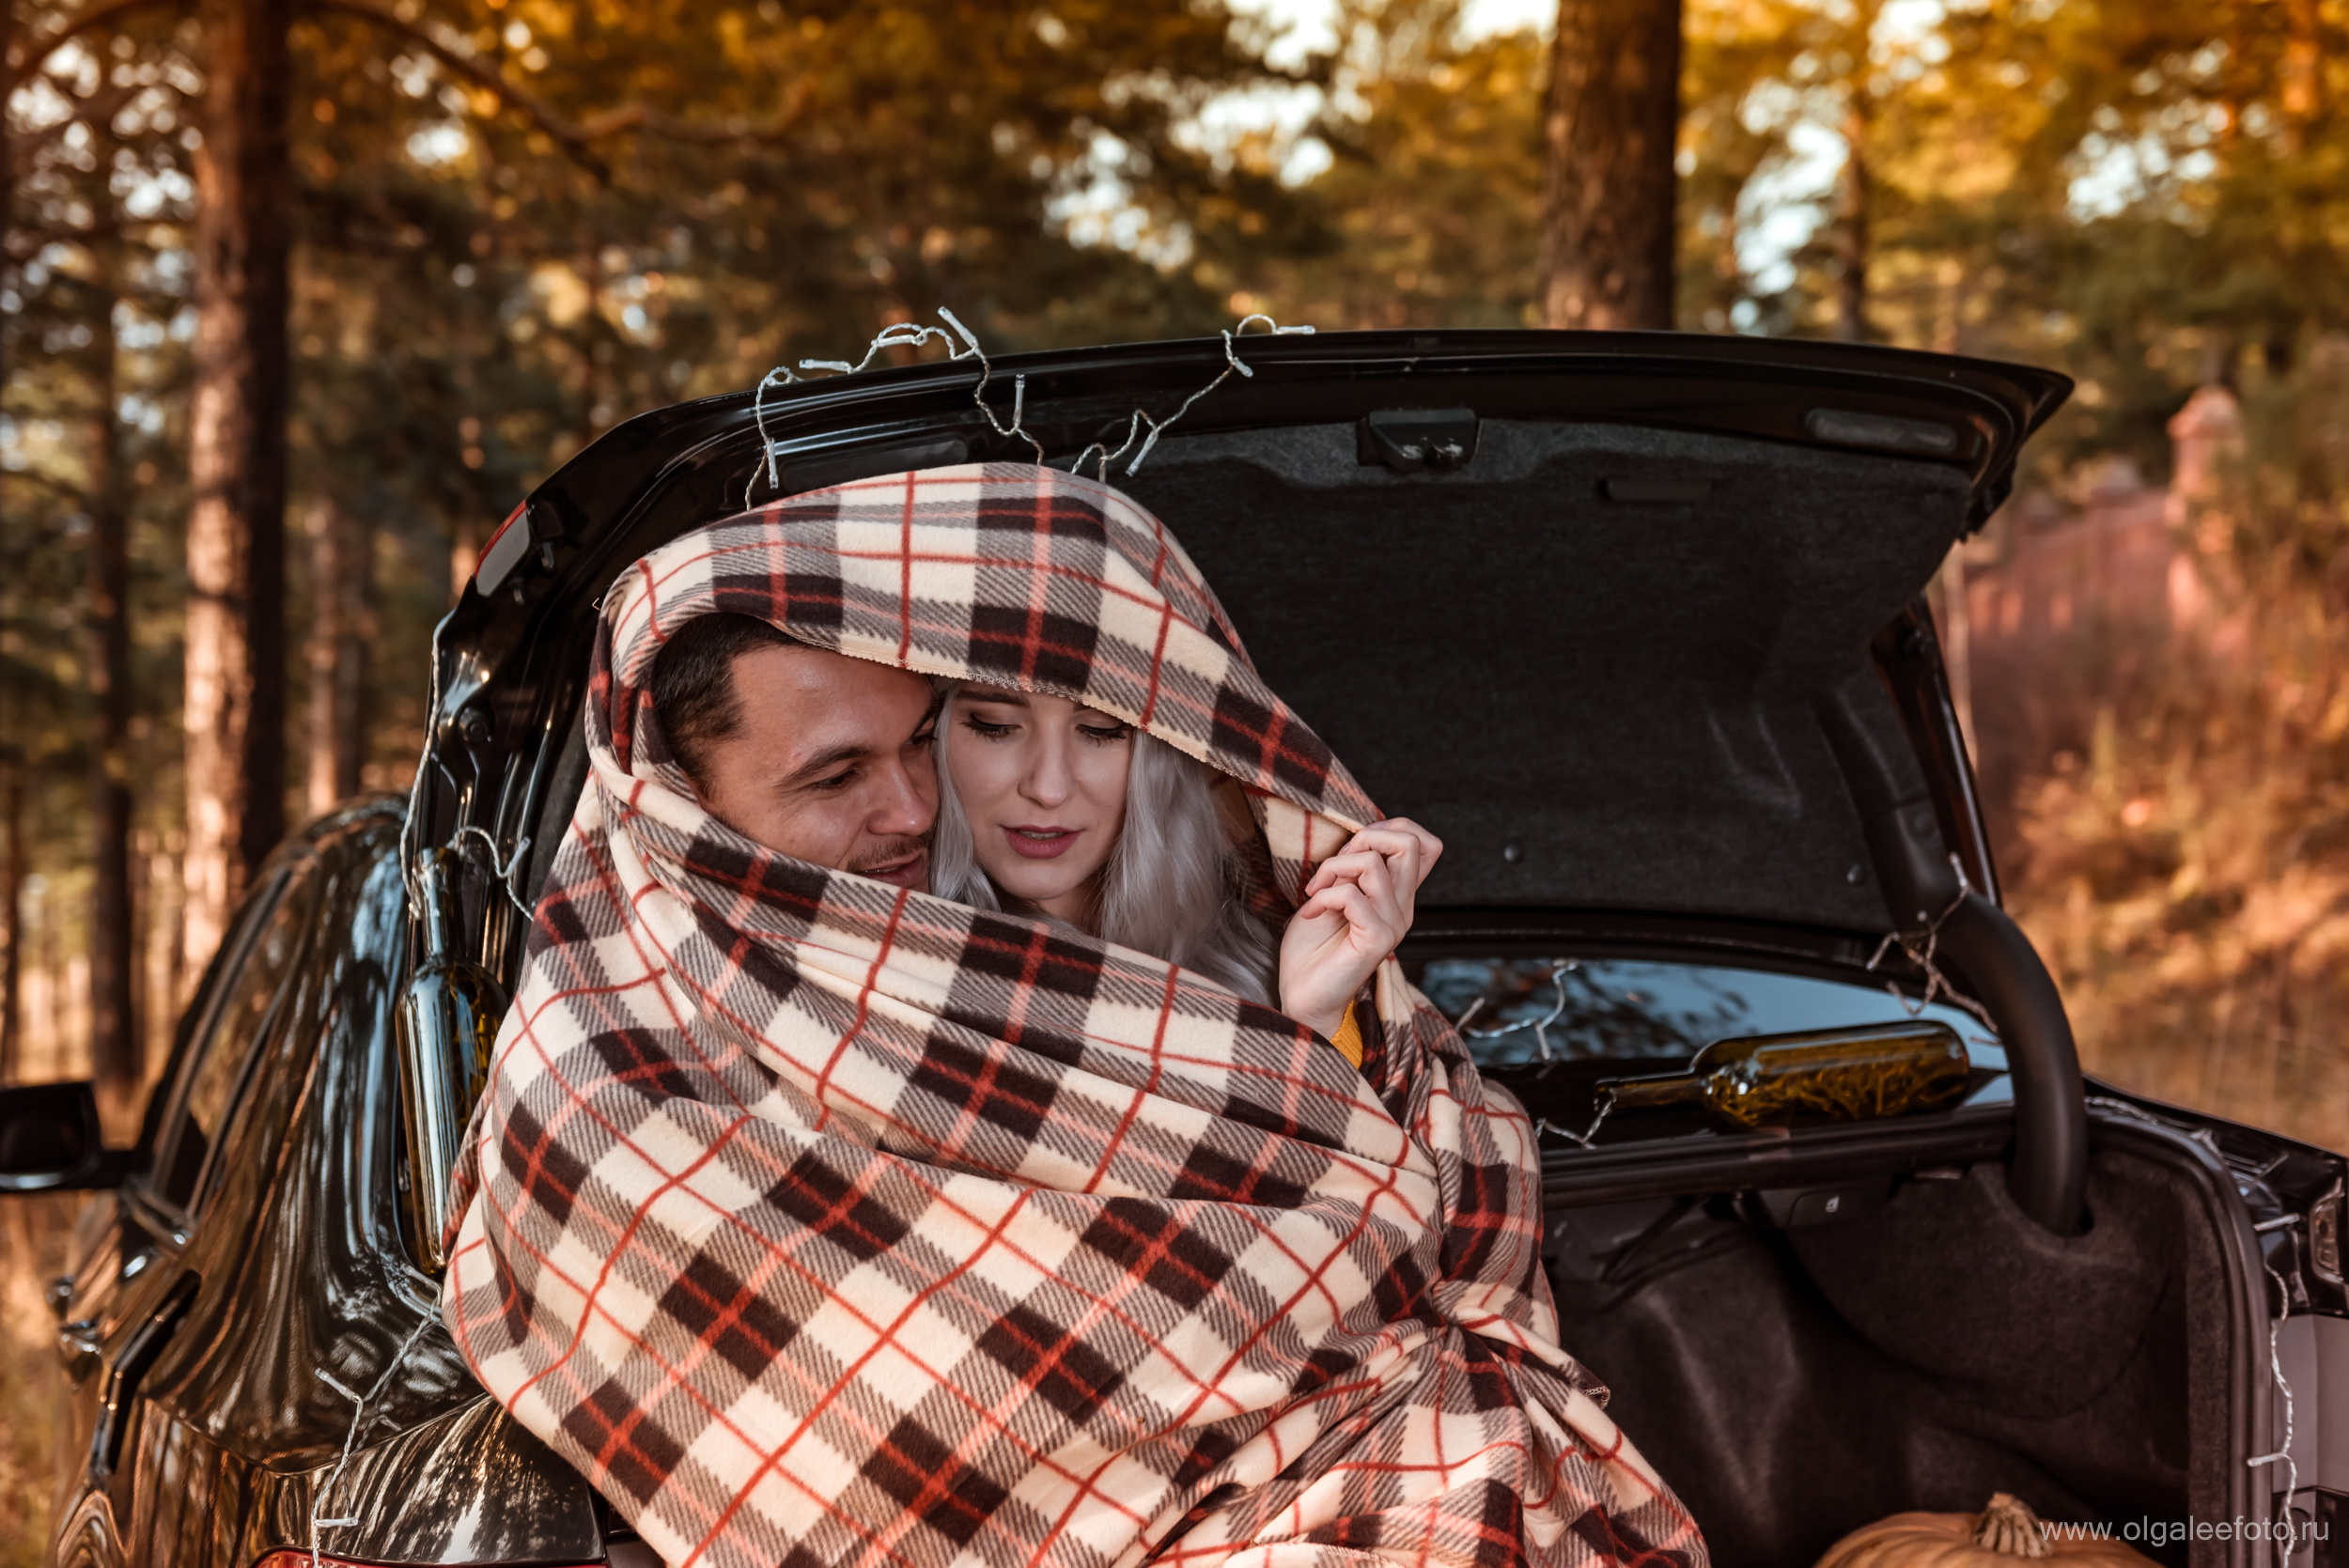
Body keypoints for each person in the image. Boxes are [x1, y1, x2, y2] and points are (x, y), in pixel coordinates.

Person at [442, 462, 1704, 1568]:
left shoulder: (1211, 946)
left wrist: (1320, 1025)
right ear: (678, 794)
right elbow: (865, 1389)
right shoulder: (610, 1068)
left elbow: (1430, 1246)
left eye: (919, 742)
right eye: (980, 728)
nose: (911, 809)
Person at [929, 681, 1444, 1057]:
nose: (1048, 787)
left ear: (1164, 751)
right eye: (995, 726)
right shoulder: (889, 968)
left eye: (1101, 730)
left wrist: (1312, 1021)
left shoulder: (1257, 962)